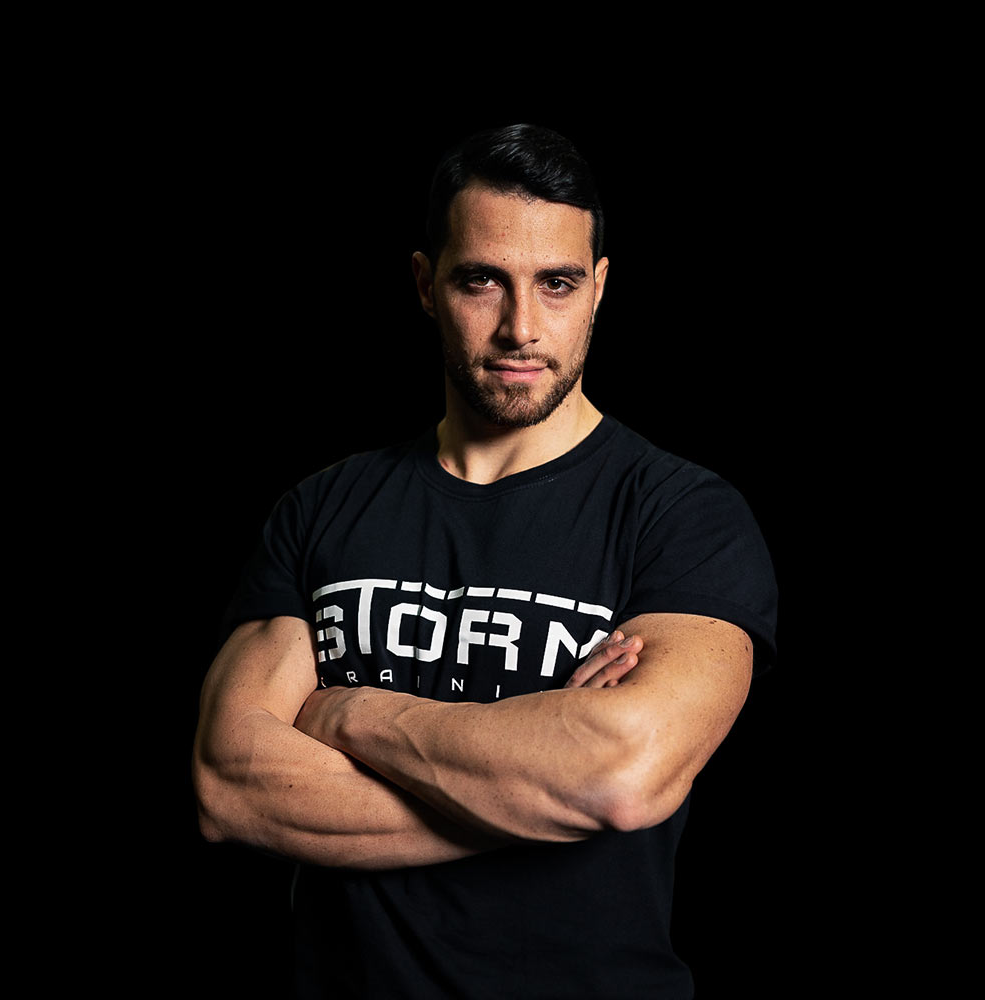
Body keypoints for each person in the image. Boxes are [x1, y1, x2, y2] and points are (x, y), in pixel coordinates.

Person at [193, 123, 778, 999]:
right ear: (425, 285)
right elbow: (228, 785)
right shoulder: (322, 509)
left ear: (599, 288)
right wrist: (543, 783)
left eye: (557, 284)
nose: (521, 328)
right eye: (481, 281)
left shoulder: (684, 516)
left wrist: (348, 713)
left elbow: (621, 772)